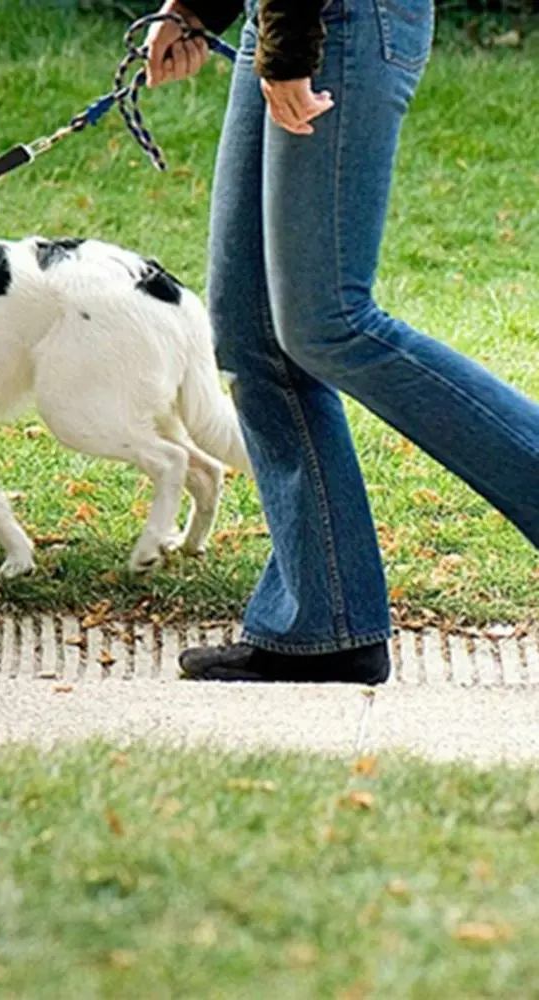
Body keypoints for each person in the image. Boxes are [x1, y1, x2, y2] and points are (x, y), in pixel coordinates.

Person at [143, 0, 539, 683]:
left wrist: (292, 50)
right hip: (282, 18)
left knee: (330, 321)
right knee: (251, 331)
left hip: (339, 20)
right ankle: (325, 622)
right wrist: (194, 9)